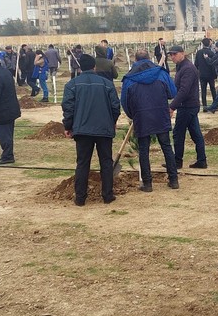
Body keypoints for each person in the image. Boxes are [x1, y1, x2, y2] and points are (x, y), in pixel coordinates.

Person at [62, 54, 121, 206]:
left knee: (82, 163)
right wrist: (112, 121)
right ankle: (107, 196)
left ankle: (80, 198)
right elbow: (116, 106)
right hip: (104, 129)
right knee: (106, 163)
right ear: (94, 66)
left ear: (80, 67)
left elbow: (68, 108)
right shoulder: (107, 84)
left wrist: (68, 126)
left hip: (82, 131)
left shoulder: (72, 85)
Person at [123, 50, 179, 191]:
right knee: (166, 147)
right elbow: (172, 93)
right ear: (149, 58)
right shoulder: (161, 73)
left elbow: (124, 101)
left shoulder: (129, 78)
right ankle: (173, 180)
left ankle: (147, 184)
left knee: (143, 150)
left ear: (135, 60)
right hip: (160, 114)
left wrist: (132, 115)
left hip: (141, 117)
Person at [167, 45, 207, 169]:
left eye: (175, 54)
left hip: (187, 106)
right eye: (171, 55)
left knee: (178, 133)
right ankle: (202, 160)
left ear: (182, 53)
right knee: (196, 134)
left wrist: (172, 107)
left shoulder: (188, 68)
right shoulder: (181, 67)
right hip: (188, 105)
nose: (172, 57)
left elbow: (184, 91)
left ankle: (177, 162)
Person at [195, 38, 218, 111]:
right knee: (213, 89)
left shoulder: (198, 53)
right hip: (210, 74)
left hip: (202, 74)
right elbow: (213, 65)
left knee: (203, 90)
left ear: (202, 44)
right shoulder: (211, 53)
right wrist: (215, 75)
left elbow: (196, 64)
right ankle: (215, 105)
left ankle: (204, 106)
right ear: (209, 44)